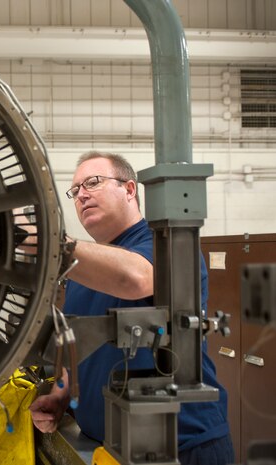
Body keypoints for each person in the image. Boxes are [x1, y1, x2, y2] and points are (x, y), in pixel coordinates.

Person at [28, 151, 233, 464]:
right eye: (75, 190)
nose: (81, 194)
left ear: (129, 189)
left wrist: (50, 243)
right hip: (106, 449)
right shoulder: (83, 269)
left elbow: (135, 278)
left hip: (184, 445)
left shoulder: (165, 245)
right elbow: (76, 346)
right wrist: (60, 395)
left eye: (93, 182)